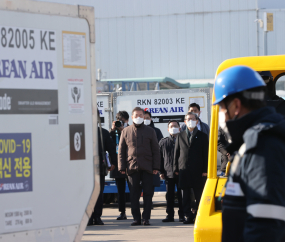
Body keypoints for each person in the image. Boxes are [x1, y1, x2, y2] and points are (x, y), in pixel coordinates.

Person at [214, 65, 285, 242]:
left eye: (222, 107)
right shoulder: (253, 142)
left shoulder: (262, 146)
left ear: (236, 105)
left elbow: (266, 226)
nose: (222, 114)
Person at [118, 107, 160, 226]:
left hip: (148, 167)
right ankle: (136, 218)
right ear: (132, 117)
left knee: (148, 194)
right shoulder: (125, 131)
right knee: (134, 194)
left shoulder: (150, 131)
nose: (138, 117)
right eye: (136, 115)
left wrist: (156, 166)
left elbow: (156, 150)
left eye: (141, 115)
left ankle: (146, 218)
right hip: (132, 167)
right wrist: (121, 167)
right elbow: (121, 151)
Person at [174, 112, 208, 224]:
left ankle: (199, 216)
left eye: (193, 119)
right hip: (184, 170)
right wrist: (176, 168)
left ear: (197, 121)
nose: (190, 121)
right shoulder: (180, 135)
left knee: (199, 195)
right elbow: (176, 153)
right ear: (184, 121)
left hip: (198, 171)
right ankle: (188, 216)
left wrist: (205, 170)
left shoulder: (203, 136)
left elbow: (206, 154)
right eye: (188, 119)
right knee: (186, 197)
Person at [89, 112, 116, 226]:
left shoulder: (103, 133)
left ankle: (97, 217)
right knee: (87, 194)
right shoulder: (80, 131)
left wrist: (113, 163)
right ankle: (88, 218)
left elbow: (111, 149)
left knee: (98, 194)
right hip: (84, 169)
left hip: (99, 167)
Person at [159, 120, 184, 222]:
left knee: (181, 195)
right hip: (168, 173)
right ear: (168, 129)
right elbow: (160, 158)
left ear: (179, 128)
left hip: (181, 172)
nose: (173, 128)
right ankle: (170, 215)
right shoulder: (163, 142)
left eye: (175, 126)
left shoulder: (184, 140)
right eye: (171, 126)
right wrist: (161, 171)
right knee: (169, 196)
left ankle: (182, 215)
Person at [109, 111, 129, 220]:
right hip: (117, 164)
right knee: (120, 191)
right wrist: (113, 130)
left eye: (123, 121)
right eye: (119, 121)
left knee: (134, 189)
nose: (121, 123)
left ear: (127, 121)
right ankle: (122, 212)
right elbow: (108, 143)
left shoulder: (130, 130)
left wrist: (123, 131)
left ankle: (137, 212)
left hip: (130, 164)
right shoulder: (113, 132)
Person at [144, 110, 163, 192]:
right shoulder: (133, 131)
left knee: (150, 189)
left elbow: (160, 147)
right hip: (139, 165)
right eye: (143, 118)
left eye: (147, 118)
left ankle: (148, 204)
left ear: (151, 119)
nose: (145, 119)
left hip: (151, 164)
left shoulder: (156, 131)